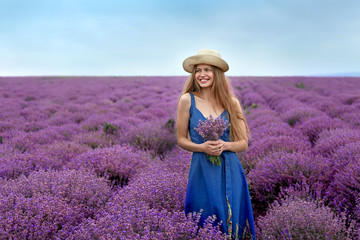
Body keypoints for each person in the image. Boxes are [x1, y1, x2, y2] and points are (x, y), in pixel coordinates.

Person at [176, 49, 256, 239]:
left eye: (207, 70)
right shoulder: (187, 100)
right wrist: (201, 147)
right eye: (198, 70)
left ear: (217, 74)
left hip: (230, 169)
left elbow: (243, 143)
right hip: (202, 169)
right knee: (204, 216)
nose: (202, 75)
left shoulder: (231, 103)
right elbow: (181, 140)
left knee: (232, 219)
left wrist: (225, 145)